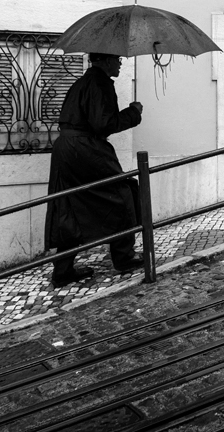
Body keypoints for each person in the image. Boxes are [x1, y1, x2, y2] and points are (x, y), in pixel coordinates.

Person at [45, 52, 144, 287]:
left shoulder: (81, 82)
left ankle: (63, 269)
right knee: (122, 194)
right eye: (118, 59)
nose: (120, 63)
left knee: (68, 205)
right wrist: (134, 112)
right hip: (86, 148)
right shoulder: (100, 84)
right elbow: (103, 124)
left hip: (66, 149)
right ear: (106, 60)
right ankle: (124, 257)